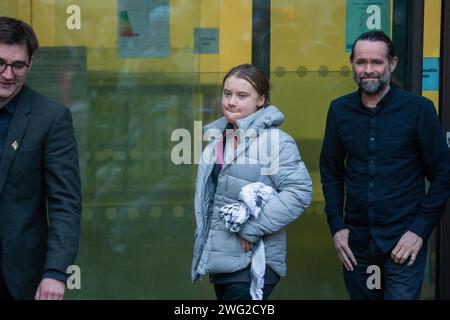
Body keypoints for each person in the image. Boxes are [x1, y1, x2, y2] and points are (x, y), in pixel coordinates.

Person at [320, 31, 450, 300]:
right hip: (358, 244)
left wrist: (419, 231)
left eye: (377, 62)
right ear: (352, 63)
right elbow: (331, 171)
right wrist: (337, 226)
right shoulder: (339, 110)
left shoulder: (419, 110)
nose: (368, 70)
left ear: (392, 63)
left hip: (403, 241)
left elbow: (443, 173)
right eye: (361, 62)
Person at [191, 63, 312, 300]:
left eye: (242, 95)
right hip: (224, 263)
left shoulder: (276, 141)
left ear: (261, 100)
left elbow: (299, 192)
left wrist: (251, 230)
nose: (232, 101)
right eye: (227, 94)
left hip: (255, 262)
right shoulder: (218, 140)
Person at [0, 16, 81, 300]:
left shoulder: (51, 119)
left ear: (30, 64)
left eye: (18, 65)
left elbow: (65, 205)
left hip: (18, 280)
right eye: (0, 63)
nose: (8, 74)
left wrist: (55, 273)